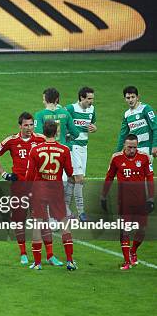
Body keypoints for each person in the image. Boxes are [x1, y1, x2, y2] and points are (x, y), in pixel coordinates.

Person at [0, 112, 64, 266]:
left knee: (42, 220)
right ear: (20, 126)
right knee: (19, 220)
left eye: (31, 125)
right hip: (19, 187)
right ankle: (23, 253)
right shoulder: (11, 140)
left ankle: (50, 255)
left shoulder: (41, 139)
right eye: (26, 125)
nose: (29, 128)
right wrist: (4, 174)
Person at [26, 120, 77, 271]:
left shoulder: (35, 150)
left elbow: (29, 175)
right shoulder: (64, 149)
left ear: (43, 131)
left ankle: (37, 263)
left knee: (37, 224)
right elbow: (69, 172)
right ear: (56, 132)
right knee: (64, 223)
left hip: (39, 189)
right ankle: (70, 261)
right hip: (56, 190)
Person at [101, 134, 154, 270]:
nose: (132, 150)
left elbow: (149, 178)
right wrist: (103, 196)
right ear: (124, 145)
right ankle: (126, 261)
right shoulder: (116, 158)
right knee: (125, 230)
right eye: (129, 147)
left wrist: (151, 198)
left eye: (134, 147)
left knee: (141, 230)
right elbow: (109, 177)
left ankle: (133, 251)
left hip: (141, 200)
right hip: (124, 201)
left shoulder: (144, 158)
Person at [64, 87, 97, 222]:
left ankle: (65, 209)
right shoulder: (70, 109)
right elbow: (62, 122)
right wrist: (66, 135)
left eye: (92, 98)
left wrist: (94, 128)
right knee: (79, 178)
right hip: (73, 146)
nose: (91, 101)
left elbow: (93, 124)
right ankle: (81, 212)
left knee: (72, 179)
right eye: (89, 98)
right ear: (81, 98)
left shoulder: (92, 109)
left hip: (84, 146)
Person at [116, 86, 156, 159]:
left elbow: (155, 128)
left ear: (137, 97)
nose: (130, 100)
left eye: (133, 97)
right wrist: (117, 152)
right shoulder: (127, 114)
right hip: (133, 149)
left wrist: (155, 146)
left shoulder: (145, 109)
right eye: (128, 98)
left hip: (146, 148)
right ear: (125, 99)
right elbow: (123, 135)